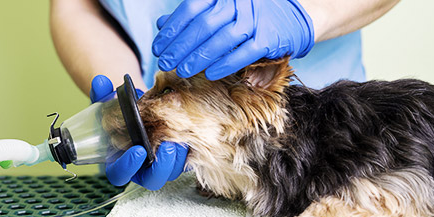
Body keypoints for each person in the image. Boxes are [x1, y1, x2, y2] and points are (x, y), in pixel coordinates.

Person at [50, 0, 399, 189]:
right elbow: (76, 5)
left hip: (331, 143)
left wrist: (305, 13)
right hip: (161, 155)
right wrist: (126, 97)